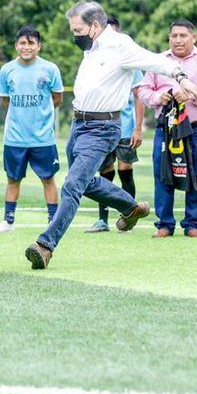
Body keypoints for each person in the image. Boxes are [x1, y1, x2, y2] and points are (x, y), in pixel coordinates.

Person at [24, 0, 197, 269]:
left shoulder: (120, 45)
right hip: (78, 125)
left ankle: (45, 245)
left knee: (72, 185)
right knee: (84, 182)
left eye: (77, 31)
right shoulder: (92, 47)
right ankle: (131, 208)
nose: (75, 36)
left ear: (95, 26)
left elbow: (157, 61)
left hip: (102, 128)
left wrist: (181, 77)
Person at [138, 19, 197, 238]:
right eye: (174, 36)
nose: (178, 40)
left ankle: (193, 224)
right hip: (165, 129)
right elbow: (143, 92)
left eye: (183, 35)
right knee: (162, 173)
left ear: (193, 37)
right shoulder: (158, 61)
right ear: (169, 38)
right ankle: (165, 224)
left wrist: (192, 95)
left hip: (196, 128)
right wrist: (159, 97)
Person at [0, 26, 63, 233]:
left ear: (39, 46)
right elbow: (5, 100)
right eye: (23, 43)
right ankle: (8, 222)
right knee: (13, 179)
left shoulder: (50, 69)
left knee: (48, 179)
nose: (26, 47)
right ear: (16, 45)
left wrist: (41, 116)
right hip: (15, 138)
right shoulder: (7, 70)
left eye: (31, 43)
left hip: (43, 138)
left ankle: (53, 222)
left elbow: (57, 99)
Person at [84, 16, 145, 234]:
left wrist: (138, 128)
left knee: (125, 171)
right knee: (105, 172)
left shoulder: (129, 61)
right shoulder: (93, 60)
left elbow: (139, 95)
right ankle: (102, 220)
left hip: (125, 127)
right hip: (101, 127)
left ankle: (129, 217)